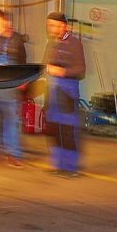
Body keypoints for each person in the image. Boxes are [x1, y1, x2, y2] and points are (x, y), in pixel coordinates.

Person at [43, 11, 86, 176]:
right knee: (54, 129)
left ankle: (70, 167)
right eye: (48, 26)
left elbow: (81, 70)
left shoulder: (75, 44)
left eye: (53, 25)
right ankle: (58, 164)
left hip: (68, 90)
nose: (50, 29)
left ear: (63, 26)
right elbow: (44, 65)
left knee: (68, 130)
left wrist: (62, 72)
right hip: (52, 90)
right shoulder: (51, 44)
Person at [0, 9, 27, 167]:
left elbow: (22, 64)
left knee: (12, 123)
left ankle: (14, 154)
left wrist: (22, 82)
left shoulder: (16, 40)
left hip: (10, 90)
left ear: (2, 21)